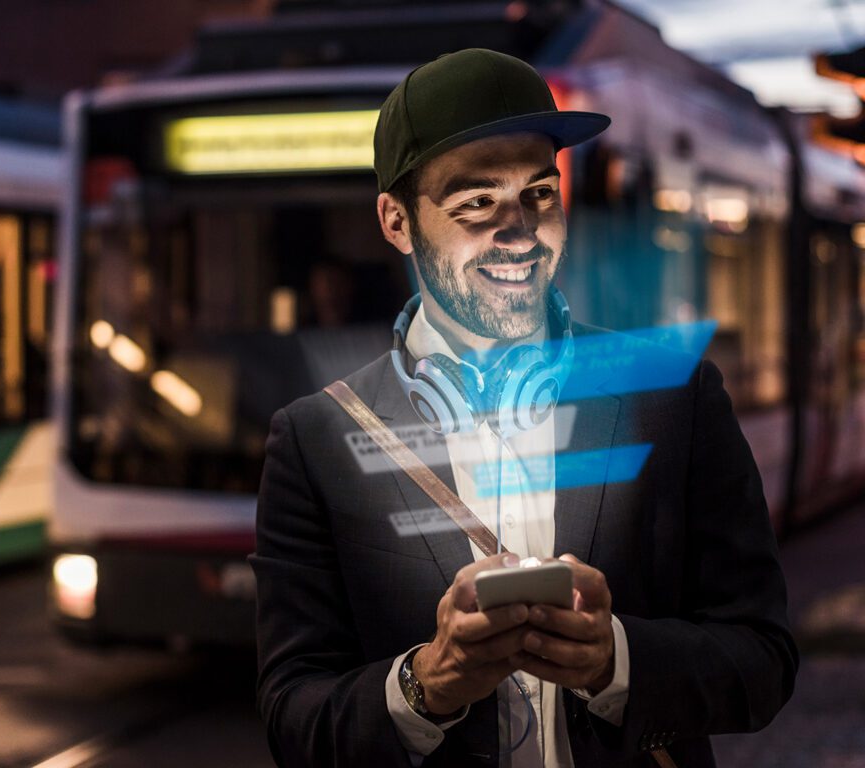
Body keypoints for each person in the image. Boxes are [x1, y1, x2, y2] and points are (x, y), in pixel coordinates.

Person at [251, 48, 797, 768]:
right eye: (476, 202)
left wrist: (617, 661)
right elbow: (294, 720)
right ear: (396, 221)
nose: (521, 230)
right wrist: (425, 685)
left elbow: (763, 661)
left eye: (539, 193)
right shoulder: (315, 440)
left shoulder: (676, 396)